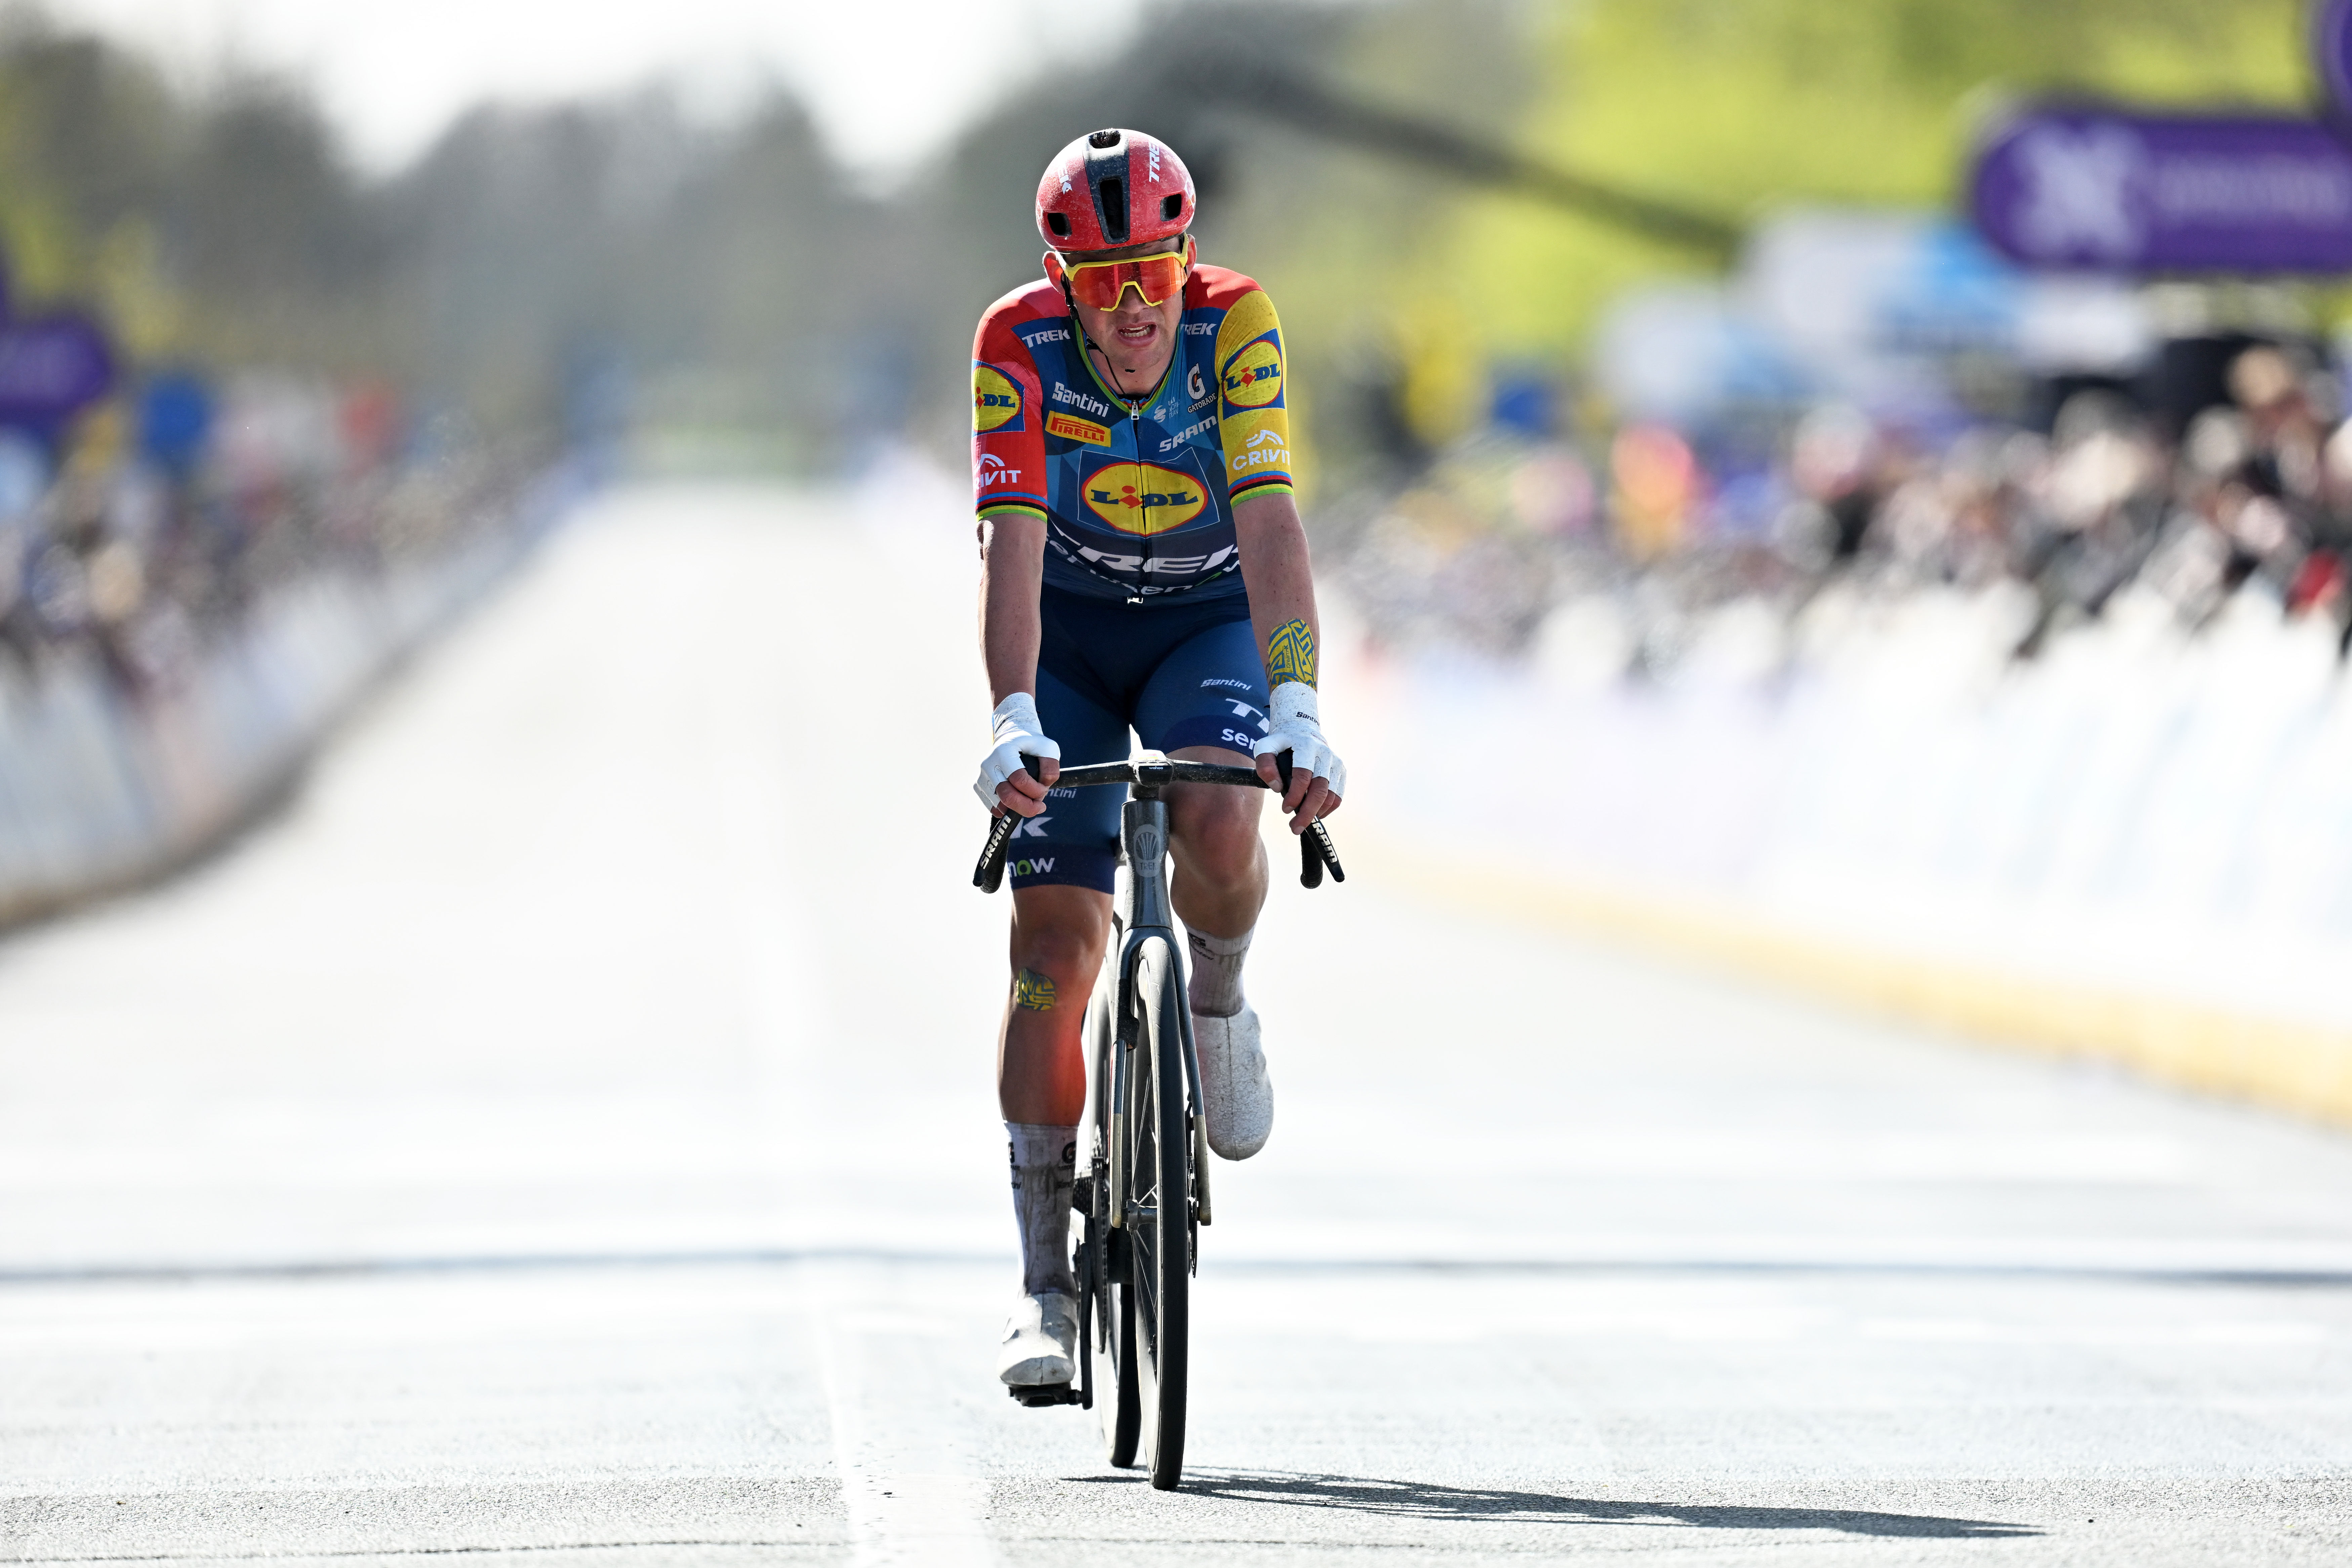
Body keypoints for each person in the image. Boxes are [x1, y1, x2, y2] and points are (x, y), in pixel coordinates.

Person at [971, 128, 1345, 1389]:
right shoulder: (1016, 342)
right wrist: (1011, 714)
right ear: (1062, 282)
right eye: (1103, 281)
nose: (1133, 308)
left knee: (1225, 822)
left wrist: (1297, 701)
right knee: (1052, 955)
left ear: (1189, 259)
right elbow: (1012, 543)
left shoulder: (1236, 324)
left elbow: (1271, 518)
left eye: (1155, 274)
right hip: (1068, 641)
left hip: (1205, 624)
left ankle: (1217, 999)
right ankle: (1043, 1287)